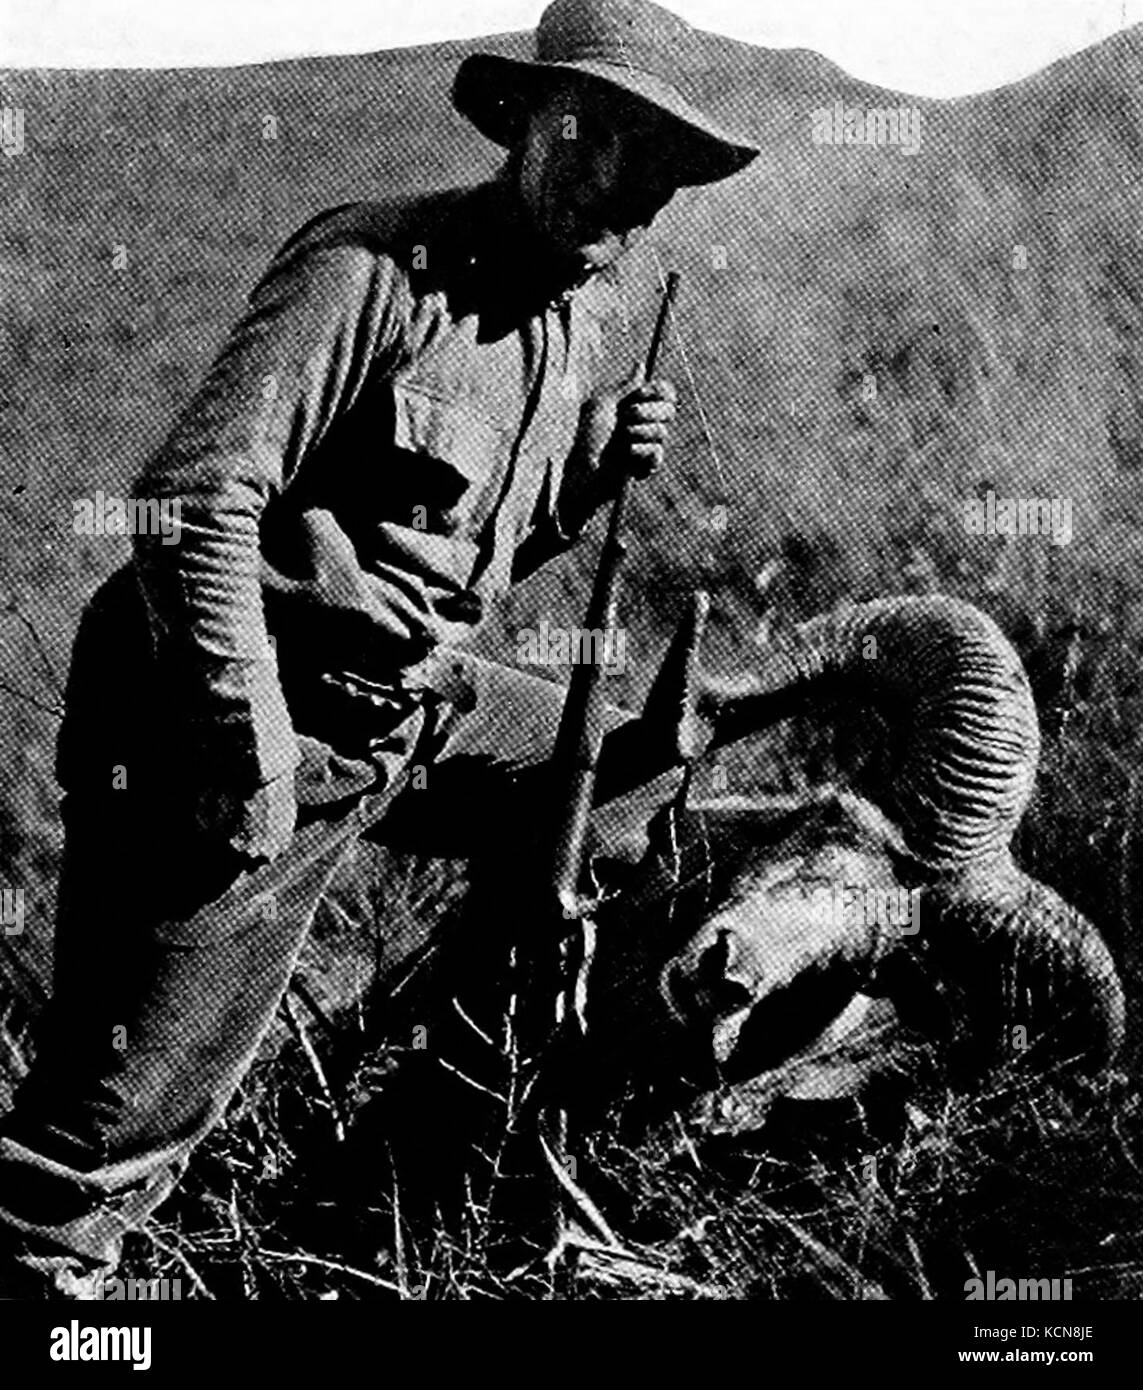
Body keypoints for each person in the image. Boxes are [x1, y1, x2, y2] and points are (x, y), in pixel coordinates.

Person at [0, 0, 759, 1295]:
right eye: (594, 133)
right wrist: (250, 763)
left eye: (659, 163)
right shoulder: (373, 272)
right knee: (108, 1139)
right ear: (524, 124)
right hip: (224, 716)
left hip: (400, 703)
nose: (621, 183)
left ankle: (421, 1130)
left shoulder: (567, 325)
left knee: (626, 770)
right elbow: (192, 503)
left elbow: (460, 573)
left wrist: (582, 485)